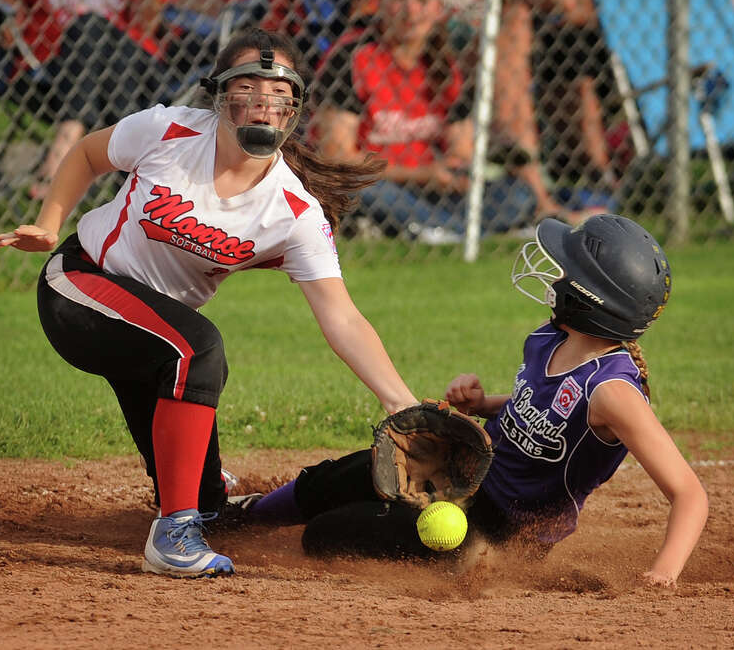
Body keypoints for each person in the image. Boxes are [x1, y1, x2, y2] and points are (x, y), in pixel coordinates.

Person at [0, 27, 419, 578]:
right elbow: (88, 153)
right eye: (247, 90)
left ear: (294, 111)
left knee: (209, 504)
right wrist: (49, 224)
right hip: (81, 286)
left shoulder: (294, 210)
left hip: (154, 334)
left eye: (278, 95)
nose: (262, 105)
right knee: (198, 348)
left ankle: (235, 508)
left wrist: (401, 403)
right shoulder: (167, 129)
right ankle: (171, 538)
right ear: (219, 96)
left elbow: (342, 316)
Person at [230, 214, 709, 588]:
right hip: (466, 472)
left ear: (589, 297)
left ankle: (477, 562)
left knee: (326, 535)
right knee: (353, 473)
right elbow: (536, 408)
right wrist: (482, 404)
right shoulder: (549, 338)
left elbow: (689, 495)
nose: (554, 273)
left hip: (505, 531)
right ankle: (244, 516)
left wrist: (663, 574)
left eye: (566, 270)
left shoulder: (613, 393)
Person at [314, 0, 545, 244]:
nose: (411, 10)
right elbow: (336, 158)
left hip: (432, 192)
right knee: (362, 191)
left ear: (437, 8)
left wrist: (456, 172)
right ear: (382, 2)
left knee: (518, 194)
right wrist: (423, 175)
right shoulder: (352, 58)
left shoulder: (443, 64)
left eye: (422, 0)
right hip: (379, 183)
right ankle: (459, 232)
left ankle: (438, 230)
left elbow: (461, 150)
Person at [0, 0, 188, 200]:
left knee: (94, 29)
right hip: (56, 62)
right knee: (89, 31)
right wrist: (9, 12)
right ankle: (129, 182)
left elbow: (148, 24)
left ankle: (69, 136)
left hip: (132, 57)